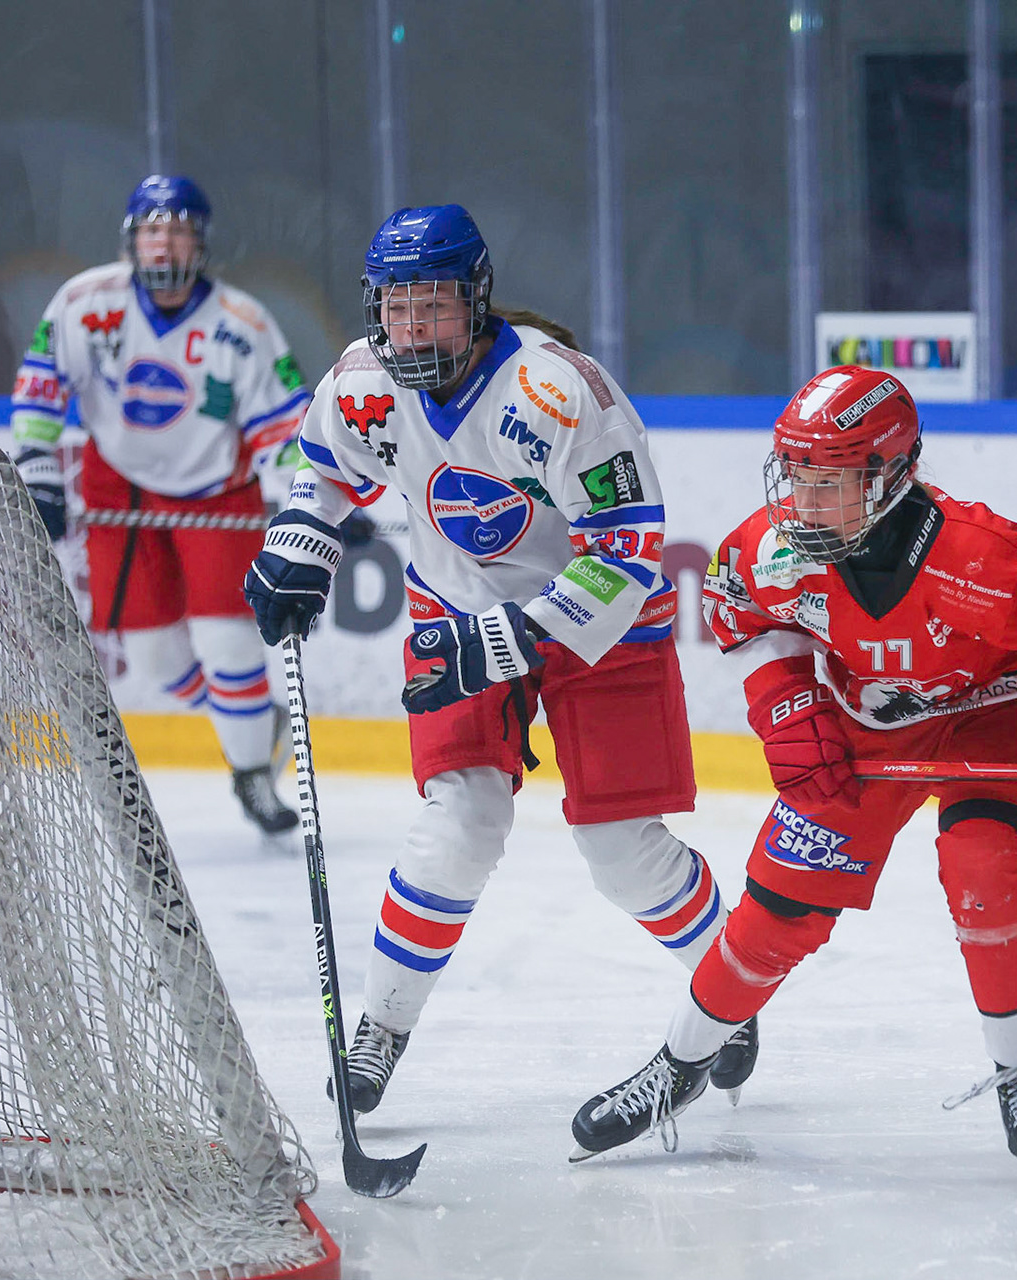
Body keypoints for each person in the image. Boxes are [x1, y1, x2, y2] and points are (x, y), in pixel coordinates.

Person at [569, 366, 1017, 1168]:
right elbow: (742, 611)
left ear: (891, 476)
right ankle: (680, 1065)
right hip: (872, 723)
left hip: (999, 714)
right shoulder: (773, 551)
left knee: (985, 872)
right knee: (776, 911)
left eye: (829, 483)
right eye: (795, 477)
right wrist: (787, 704)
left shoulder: (986, 562)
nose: (803, 502)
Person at [243, 204, 753, 1112]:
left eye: (433, 306)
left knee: (621, 852)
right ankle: (381, 1029)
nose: (412, 329)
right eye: (396, 308)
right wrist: (299, 540)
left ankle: (727, 992)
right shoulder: (363, 384)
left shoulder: (560, 393)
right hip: (458, 608)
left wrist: (515, 637)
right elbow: (323, 471)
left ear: (476, 300)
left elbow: (628, 548)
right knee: (460, 826)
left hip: (604, 625)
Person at [10, 174, 311, 834]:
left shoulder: (242, 323)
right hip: (119, 487)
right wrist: (38, 468)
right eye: (152, 229)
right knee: (153, 657)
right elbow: (40, 385)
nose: (163, 243)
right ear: (131, 239)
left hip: (218, 491)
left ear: (200, 242)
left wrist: (303, 502)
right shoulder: (84, 302)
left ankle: (251, 773)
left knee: (229, 641)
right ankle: (251, 721)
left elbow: (285, 427)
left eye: (177, 230)